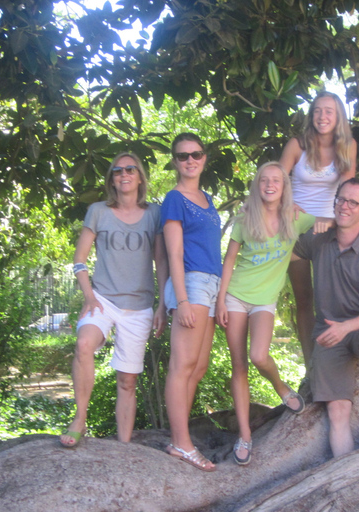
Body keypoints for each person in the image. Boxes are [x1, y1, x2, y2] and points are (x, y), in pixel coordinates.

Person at [60, 152, 168, 448]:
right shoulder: (98, 211)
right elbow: (79, 259)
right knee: (83, 345)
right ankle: (80, 418)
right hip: (103, 300)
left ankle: (123, 447)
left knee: (127, 382)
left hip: (140, 306)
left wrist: (162, 304)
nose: (124, 174)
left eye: (130, 169)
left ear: (140, 176)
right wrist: (88, 296)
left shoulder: (155, 214)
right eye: (117, 171)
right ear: (111, 179)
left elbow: (161, 260)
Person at [293, 177, 359, 457]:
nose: (345, 206)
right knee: (337, 411)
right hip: (327, 331)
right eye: (341, 199)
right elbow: (286, 242)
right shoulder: (318, 240)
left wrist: (346, 328)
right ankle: (343, 474)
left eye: (354, 202)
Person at [215, 162, 315, 465]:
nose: (270, 185)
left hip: (264, 301)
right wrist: (220, 300)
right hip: (235, 296)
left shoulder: (295, 218)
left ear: (284, 187)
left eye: (276, 180)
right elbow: (230, 261)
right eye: (264, 180)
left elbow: (330, 221)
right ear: (257, 186)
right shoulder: (245, 219)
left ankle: (280, 387)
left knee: (260, 356)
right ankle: (244, 435)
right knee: (240, 365)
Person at [279, 91, 357, 369]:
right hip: (296, 230)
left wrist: (334, 220)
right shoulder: (297, 145)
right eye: (317, 111)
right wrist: (287, 204)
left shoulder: (347, 146)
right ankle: (310, 365)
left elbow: (348, 192)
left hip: (329, 226)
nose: (322, 117)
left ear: (338, 118)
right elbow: (276, 181)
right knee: (304, 299)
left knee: (330, 299)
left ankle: (334, 362)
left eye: (329, 112)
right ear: (311, 116)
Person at [161, 133, 222, 472]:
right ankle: (183, 444)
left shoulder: (207, 198)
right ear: (175, 161)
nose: (189, 160)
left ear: (204, 157)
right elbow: (173, 251)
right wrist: (181, 299)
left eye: (195, 154)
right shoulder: (175, 198)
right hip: (192, 284)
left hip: (211, 285)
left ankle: (178, 439)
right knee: (182, 366)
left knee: (198, 368)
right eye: (182, 156)